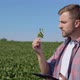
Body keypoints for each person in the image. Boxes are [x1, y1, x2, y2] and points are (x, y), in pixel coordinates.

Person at [32, 4, 80, 80]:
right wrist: (40, 53)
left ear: (76, 23)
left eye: (63, 22)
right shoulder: (62, 47)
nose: (59, 26)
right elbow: (46, 72)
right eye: (59, 22)